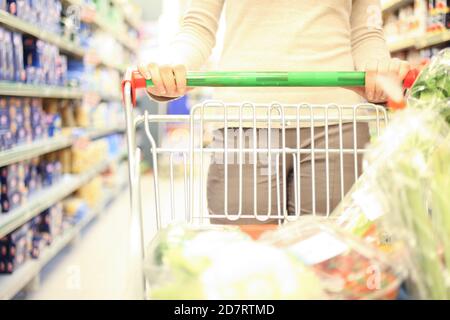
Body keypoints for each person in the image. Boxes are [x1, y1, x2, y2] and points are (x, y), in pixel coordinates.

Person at [138, 0, 410, 223]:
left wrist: (379, 69)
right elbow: (197, 27)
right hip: (244, 121)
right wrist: (173, 66)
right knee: (247, 263)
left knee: (332, 264)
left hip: (338, 123)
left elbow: (366, 33)